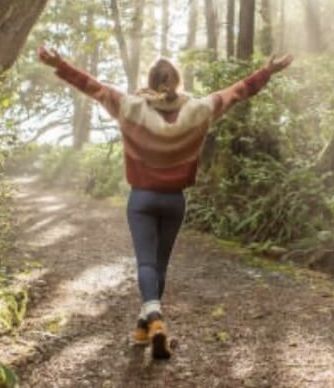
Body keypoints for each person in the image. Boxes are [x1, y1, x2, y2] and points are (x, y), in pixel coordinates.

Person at [37, 45, 293, 359]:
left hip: (141, 199)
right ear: (177, 80)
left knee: (145, 263)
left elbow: (91, 86)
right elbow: (238, 91)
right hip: (175, 201)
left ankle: (154, 319)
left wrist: (59, 63)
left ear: (150, 79)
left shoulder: (130, 107)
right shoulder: (199, 109)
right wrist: (268, 70)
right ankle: (145, 328)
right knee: (159, 265)